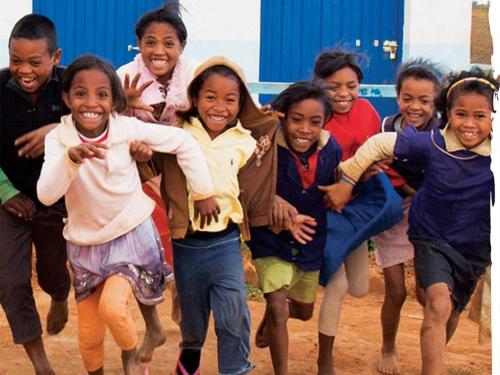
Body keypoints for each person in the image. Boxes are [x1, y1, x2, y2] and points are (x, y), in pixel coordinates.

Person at [36, 55, 216, 375]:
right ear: (66, 98)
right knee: (89, 336)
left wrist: (203, 192)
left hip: (129, 234)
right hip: (84, 244)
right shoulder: (59, 139)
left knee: (113, 308)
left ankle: (131, 356)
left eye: (102, 94)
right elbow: (47, 195)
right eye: (80, 93)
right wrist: (70, 161)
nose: (91, 102)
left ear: (114, 100)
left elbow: (183, 142)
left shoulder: (126, 129)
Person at [325, 68, 496, 375]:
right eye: (461, 114)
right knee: (438, 302)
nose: (469, 124)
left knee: (450, 311)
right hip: (431, 237)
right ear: (448, 113)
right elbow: (378, 144)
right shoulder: (432, 143)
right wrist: (346, 181)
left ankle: (433, 359)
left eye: (480, 116)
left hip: (474, 248)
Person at [162, 56, 278, 375]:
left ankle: (235, 368)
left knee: (232, 313)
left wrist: (265, 118)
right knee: (193, 319)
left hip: (225, 242)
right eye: (210, 97)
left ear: (241, 104)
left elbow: (269, 133)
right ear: (195, 98)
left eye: (230, 99)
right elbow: (149, 158)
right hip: (186, 245)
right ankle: (190, 357)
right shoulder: (179, 133)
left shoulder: (244, 141)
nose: (219, 106)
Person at [116, 2, 196, 359]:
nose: (158, 51)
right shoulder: (122, 77)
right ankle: (153, 327)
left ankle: (182, 296)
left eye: (168, 43)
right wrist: (124, 108)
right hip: (137, 179)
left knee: (183, 248)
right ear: (138, 43)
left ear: (181, 47)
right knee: (137, 251)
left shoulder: (195, 81)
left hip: (182, 179)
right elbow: (102, 124)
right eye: (150, 42)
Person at [248, 81, 342, 375]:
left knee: (302, 312)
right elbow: (245, 178)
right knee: (279, 305)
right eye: (296, 119)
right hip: (270, 237)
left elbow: (336, 182)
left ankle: (273, 314)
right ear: (283, 116)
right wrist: (271, 199)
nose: (304, 129)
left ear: (325, 122)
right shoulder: (265, 144)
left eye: (314, 122)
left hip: (309, 240)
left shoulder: (330, 149)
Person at [0, 14, 70, 375]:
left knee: (51, 274)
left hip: (56, 202)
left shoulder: (74, 84)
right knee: (10, 282)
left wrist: (56, 131)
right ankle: (43, 367)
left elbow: (102, 120)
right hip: (7, 200)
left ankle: (60, 294)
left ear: (56, 57)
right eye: (15, 60)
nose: (23, 70)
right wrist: (5, 192)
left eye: (34, 62)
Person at [312, 49, 381, 375]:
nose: (343, 94)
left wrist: (366, 171)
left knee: (360, 288)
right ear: (319, 85)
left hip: (357, 211)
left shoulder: (367, 111)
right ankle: (325, 360)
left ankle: (280, 310)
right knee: (338, 287)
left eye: (351, 85)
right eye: (333, 86)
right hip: (326, 209)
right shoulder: (314, 115)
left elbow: (375, 151)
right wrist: (355, 170)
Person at [373, 59, 442, 374]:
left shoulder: (442, 134)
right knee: (397, 291)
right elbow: (376, 167)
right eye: (408, 98)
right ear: (397, 97)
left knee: (426, 292)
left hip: (428, 215)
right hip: (393, 214)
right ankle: (388, 347)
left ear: (435, 102)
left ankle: (432, 353)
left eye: (424, 100)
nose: (415, 106)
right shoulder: (386, 127)